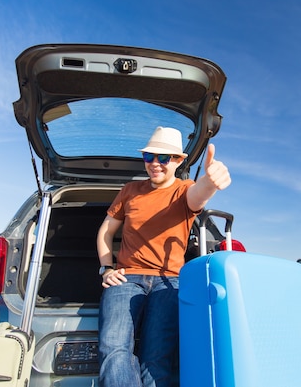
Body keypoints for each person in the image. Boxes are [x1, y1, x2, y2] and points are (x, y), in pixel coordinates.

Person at [97, 126, 231, 387]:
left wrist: (210, 183)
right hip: (126, 277)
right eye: (149, 157)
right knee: (113, 348)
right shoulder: (130, 190)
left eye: (164, 158)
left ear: (179, 161)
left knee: (157, 356)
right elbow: (106, 230)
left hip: (169, 282)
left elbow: (199, 194)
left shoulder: (185, 190)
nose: (155, 164)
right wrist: (106, 267)